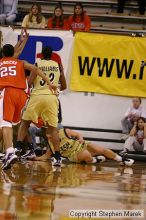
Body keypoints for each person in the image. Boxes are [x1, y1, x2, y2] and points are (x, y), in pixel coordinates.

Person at [0, 44, 56, 170]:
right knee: (8, 124)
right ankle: (11, 151)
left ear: (3, 54)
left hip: (8, 92)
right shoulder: (20, 62)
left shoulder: (1, 62)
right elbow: (36, 69)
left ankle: (9, 152)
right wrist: (50, 83)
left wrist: (21, 43)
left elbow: (13, 55)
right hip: (21, 96)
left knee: (6, 124)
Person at [16, 46, 67, 167]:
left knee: (25, 123)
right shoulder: (57, 65)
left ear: (42, 55)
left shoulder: (37, 63)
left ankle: (18, 148)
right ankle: (57, 157)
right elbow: (64, 86)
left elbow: (29, 83)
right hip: (51, 97)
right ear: (52, 55)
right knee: (53, 130)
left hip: (38, 95)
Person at [35, 126, 134, 166]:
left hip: (82, 145)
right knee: (86, 155)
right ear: (48, 136)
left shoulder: (64, 131)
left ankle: (122, 160)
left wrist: (81, 138)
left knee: (103, 150)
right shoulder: (50, 144)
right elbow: (46, 156)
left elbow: (78, 135)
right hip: (73, 155)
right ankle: (94, 160)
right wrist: (35, 158)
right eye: (49, 134)